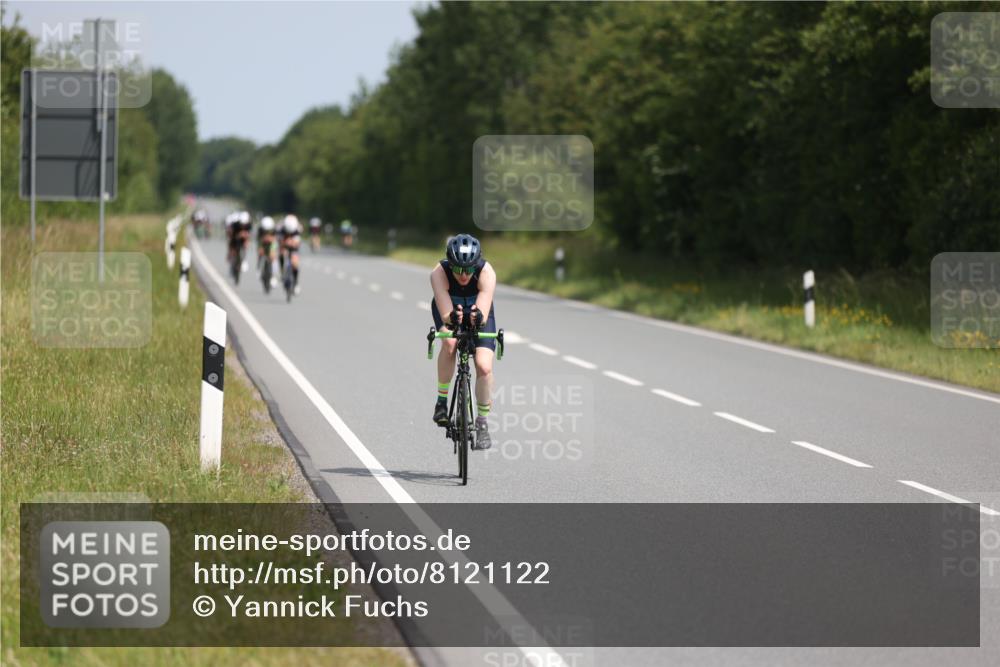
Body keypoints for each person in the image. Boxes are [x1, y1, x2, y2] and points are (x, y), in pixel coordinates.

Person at [430, 233, 497, 450]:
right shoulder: (439, 273)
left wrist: (476, 318)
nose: (463, 275)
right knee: (449, 342)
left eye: (468, 269)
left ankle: (483, 423)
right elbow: (447, 313)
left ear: (476, 265)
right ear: (450, 263)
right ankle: (441, 401)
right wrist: (452, 319)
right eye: (458, 269)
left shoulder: (487, 272)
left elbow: (483, 312)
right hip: (449, 307)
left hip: (478, 310)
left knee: (484, 366)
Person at [279, 214, 302, 294]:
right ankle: (282, 271)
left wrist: (292, 243)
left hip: (293, 246)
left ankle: (295, 283)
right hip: (284, 245)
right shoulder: (281, 229)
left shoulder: (297, 230)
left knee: (295, 263)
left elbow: (297, 243)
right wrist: (284, 244)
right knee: (281, 254)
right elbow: (279, 242)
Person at [257, 216, 278, 285]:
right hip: (262, 243)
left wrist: (270, 239)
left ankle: (274, 275)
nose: (267, 232)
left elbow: (276, 239)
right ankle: (259, 268)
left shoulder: (274, 229)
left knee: (273, 256)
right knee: (260, 252)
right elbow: (259, 240)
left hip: (272, 243)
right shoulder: (260, 229)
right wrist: (260, 248)